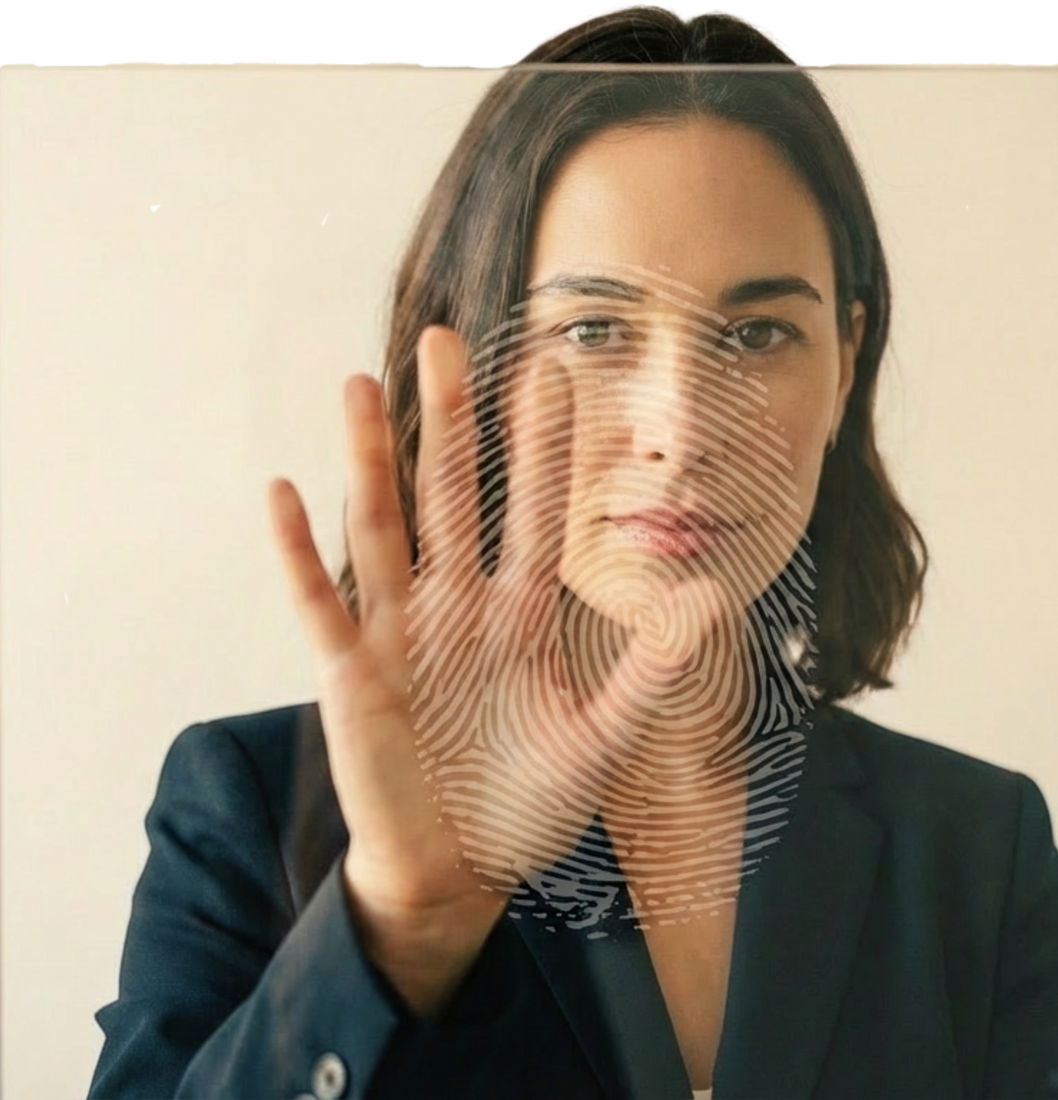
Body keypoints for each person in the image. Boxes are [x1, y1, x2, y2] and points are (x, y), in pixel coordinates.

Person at [88, 9, 1058, 1099]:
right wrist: (398, 925)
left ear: (843, 367)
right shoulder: (252, 809)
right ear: (473, 374)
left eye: (756, 333)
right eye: (592, 330)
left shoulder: (981, 848)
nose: (680, 427)